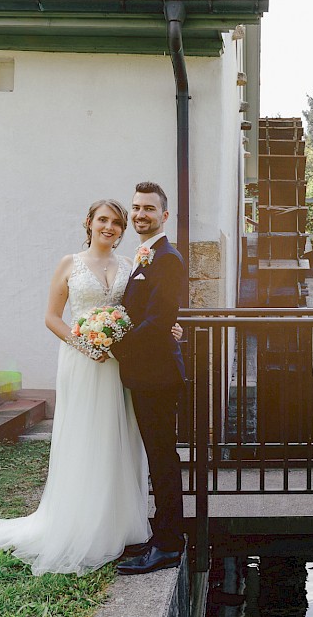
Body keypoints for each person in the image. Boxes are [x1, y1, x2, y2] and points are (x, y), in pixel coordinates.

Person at [0, 199, 181, 576]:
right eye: (103, 220)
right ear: (89, 222)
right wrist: (84, 344)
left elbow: (145, 311)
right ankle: (80, 523)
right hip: (82, 361)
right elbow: (52, 317)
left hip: (118, 364)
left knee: (116, 438)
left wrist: (169, 328)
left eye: (116, 222)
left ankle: (117, 524)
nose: (109, 227)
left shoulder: (130, 266)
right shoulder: (70, 263)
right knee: (83, 437)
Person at [112, 182, 187, 575]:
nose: (141, 214)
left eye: (149, 209)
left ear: (164, 216)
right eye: (137, 208)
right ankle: (160, 536)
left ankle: (170, 544)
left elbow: (159, 322)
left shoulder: (168, 259)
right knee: (157, 458)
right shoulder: (145, 256)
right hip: (145, 374)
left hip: (157, 376)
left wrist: (114, 344)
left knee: (163, 460)